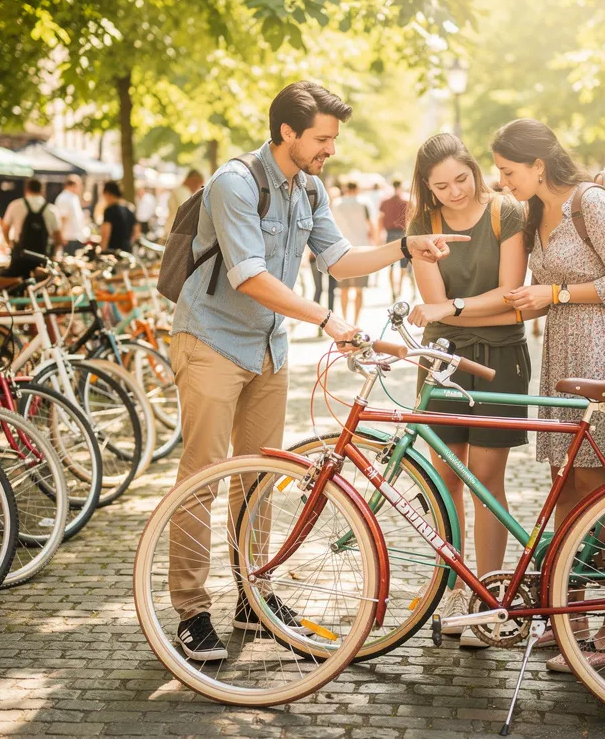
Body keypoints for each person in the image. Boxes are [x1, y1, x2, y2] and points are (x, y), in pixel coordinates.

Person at [166, 81, 466, 661]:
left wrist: (407, 247)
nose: (331, 149)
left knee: (258, 481)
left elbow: (341, 261)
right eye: (323, 139)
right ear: (288, 133)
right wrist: (327, 319)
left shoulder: (310, 188)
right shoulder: (234, 183)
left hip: (268, 349)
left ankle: (252, 597)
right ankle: (192, 611)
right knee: (203, 476)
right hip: (211, 341)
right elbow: (248, 276)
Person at [497, 118, 605, 672]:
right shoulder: (534, 213)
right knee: (565, 484)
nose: (503, 181)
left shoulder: (592, 204)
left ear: (538, 165)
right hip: (563, 352)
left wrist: (556, 293)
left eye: (508, 171)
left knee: (601, 492)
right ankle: (569, 618)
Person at [403, 133, 531, 649]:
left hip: (500, 360)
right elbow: (435, 300)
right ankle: (454, 590)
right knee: (447, 480)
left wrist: (454, 308)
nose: (455, 191)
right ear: (427, 188)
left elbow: (511, 297)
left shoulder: (506, 213)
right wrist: (481, 308)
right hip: (444, 362)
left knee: (485, 480)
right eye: (442, 186)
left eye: (462, 178)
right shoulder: (422, 226)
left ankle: (487, 596)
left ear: (475, 171)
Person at [332, 181, 379, 324]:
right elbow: (372, 225)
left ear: (346, 188)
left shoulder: (337, 203)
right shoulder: (364, 202)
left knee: (343, 289)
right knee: (359, 290)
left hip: (342, 250)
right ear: (357, 188)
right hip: (361, 249)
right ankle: (355, 322)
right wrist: (376, 244)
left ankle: (345, 320)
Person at [0, 179, 62, 276]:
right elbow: (58, 238)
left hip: (20, 257)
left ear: (26, 189)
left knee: (18, 282)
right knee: (41, 283)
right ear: (42, 191)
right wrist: (53, 254)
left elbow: (5, 228)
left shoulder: (15, 205)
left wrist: (10, 244)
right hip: (42, 258)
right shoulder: (51, 209)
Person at [379, 179, 410, 299]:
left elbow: (380, 219)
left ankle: (393, 290)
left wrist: (379, 236)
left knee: (391, 265)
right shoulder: (407, 201)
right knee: (403, 265)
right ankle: (399, 289)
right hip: (403, 234)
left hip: (390, 234)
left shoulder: (386, 202)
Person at [164, 169, 203, 242]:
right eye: (198, 183)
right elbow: (188, 213)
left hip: (174, 233)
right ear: (192, 180)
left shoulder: (182, 191)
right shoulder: (182, 192)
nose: (198, 187)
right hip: (177, 235)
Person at [99, 180, 139, 253]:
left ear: (108, 193)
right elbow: (136, 232)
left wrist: (102, 251)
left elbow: (105, 234)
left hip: (113, 252)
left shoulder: (109, 210)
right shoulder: (130, 208)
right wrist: (128, 244)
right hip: (128, 252)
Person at [55, 174, 90, 254]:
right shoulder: (64, 198)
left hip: (75, 237)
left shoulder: (73, 197)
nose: (80, 188)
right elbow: (63, 218)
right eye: (79, 185)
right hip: (68, 238)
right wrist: (61, 237)